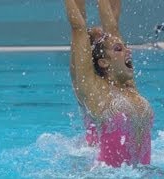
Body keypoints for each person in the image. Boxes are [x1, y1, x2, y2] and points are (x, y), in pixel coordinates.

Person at [64, 0, 154, 167]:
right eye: (119, 49)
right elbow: (78, 27)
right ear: (103, 62)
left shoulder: (128, 86)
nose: (129, 51)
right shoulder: (94, 90)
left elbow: (112, 26)